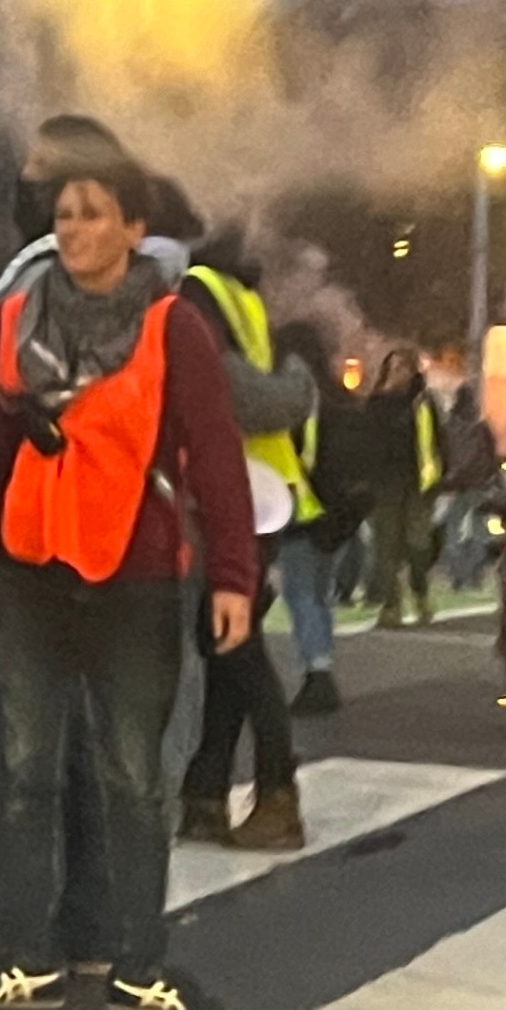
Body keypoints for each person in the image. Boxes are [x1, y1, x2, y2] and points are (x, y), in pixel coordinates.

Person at [0, 164, 256, 1010]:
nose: (71, 230)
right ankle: (26, 956)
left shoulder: (172, 328)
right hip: (28, 572)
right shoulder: (16, 319)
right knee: (22, 771)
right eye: (62, 216)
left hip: (135, 577)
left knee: (131, 777)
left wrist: (233, 574)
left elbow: (216, 455)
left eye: (91, 215)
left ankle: (139, 963)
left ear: (133, 229)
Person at [172, 229, 317, 852]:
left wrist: (294, 387)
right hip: (259, 492)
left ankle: (277, 791)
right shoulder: (239, 296)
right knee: (227, 651)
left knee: (239, 649)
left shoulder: (198, 295)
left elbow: (239, 395)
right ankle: (207, 792)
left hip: (232, 496)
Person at [270, 316, 350, 711]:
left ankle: (317, 673)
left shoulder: (293, 391)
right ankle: (323, 665)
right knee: (318, 595)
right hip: (336, 513)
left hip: (301, 508)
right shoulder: (338, 395)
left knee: (300, 595)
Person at [359, 346, 443, 627]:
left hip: (419, 485)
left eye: (403, 367)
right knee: (386, 548)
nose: (397, 373)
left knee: (417, 544)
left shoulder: (423, 402)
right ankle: (390, 606)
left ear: (413, 371)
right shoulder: (375, 404)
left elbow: (439, 442)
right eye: (393, 367)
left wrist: (440, 477)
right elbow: (364, 443)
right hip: (384, 486)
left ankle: (421, 594)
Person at [435, 375, 503, 594]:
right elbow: (492, 459)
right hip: (481, 486)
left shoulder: (447, 427)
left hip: (454, 486)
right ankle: (475, 572)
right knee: (480, 532)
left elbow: (440, 457)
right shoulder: (482, 428)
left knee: (451, 532)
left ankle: (458, 574)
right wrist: (497, 483)